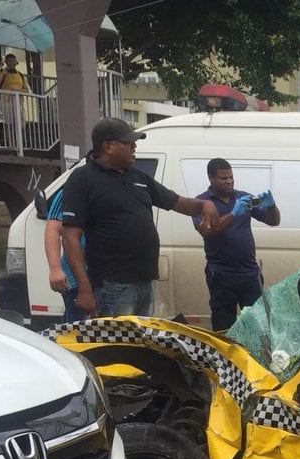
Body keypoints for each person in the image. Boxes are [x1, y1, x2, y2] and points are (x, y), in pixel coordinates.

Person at [60, 117, 217, 318]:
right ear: (108, 146)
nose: (134, 146)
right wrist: (84, 288)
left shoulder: (138, 177)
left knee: (140, 346)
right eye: (128, 143)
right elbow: (70, 237)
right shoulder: (83, 178)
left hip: (145, 282)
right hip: (113, 285)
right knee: (119, 347)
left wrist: (205, 204)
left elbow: (178, 202)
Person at [192, 158, 281, 330]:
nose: (229, 181)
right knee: (224, 326)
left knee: (259, 325)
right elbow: (207, 232)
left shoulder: (242, 197)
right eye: (223, 178)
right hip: (221, 275)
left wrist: (271, 206)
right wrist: (234, 214)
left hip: (250, 273)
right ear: (211, 178)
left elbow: (273, 221)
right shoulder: (202, 203)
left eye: (231, 177)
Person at [44, 189, 85, 322]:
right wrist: (55, 269)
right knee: (78, 334)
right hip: (77, 281)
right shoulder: (75, 186)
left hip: (111, 280)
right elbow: (53, 228)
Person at [0, 54, 29, 148]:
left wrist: (17, 90)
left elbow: (26, 90)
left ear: (16, 62)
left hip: (18, 102)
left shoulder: (20, 74)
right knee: (9, 123)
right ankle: (11, 145)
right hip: (6, 100)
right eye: (9, 61)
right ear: (6, 62)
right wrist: (2, 75)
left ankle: (23, 144)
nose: (11, 63)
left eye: (13, 60)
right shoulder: (0, 72)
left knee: (21, 123)